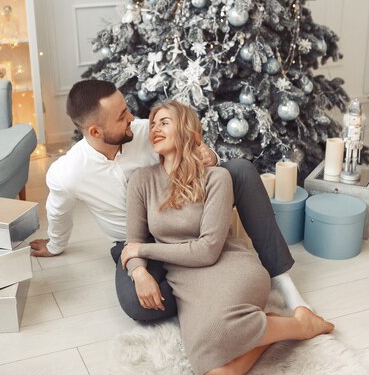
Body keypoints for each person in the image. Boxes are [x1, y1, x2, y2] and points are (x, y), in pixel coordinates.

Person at [30, 79, 308, 321]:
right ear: (94, 131)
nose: (131, 118)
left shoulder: (145, 132)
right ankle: (210, 284)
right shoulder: (69, 173)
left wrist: (210, 155)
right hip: (136, 243)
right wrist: (55, 245)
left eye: (126, 108)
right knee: (139, 307)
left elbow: (191, 144)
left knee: (241, 170)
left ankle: (280, 277)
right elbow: (58, 210)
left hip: (184, 220)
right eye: (121, 116)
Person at [120, 100, 334, 375]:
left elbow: (207, 250)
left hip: (229, 267)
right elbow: (132, 242)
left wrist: (143, 251)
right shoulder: (141, 182)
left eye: (165, 122)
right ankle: (284, 327)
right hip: (186, 282)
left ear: (187, 130)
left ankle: (294, 325)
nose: (156, 128)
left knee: (224, 330)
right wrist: (139, 270)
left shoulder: (216, 177)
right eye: (154, 123)